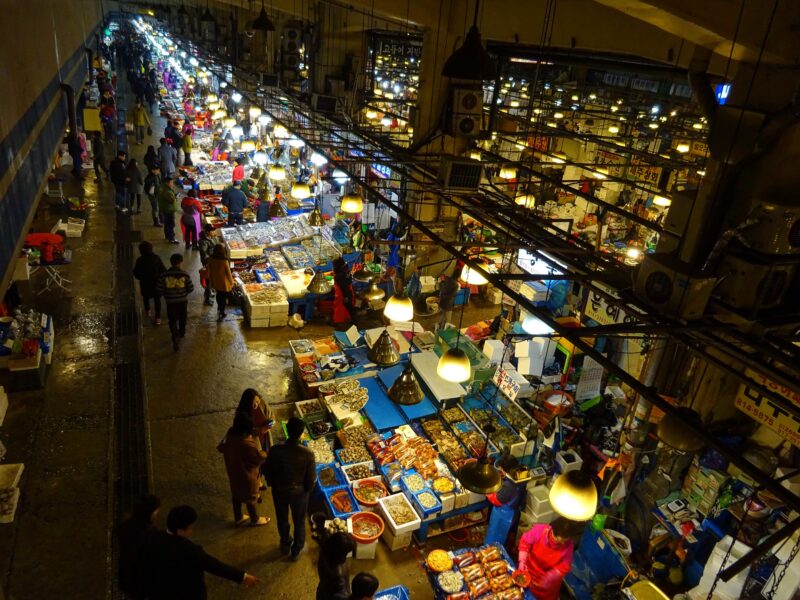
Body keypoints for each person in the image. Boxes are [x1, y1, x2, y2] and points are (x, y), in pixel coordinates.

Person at [140, 505, 259, 599]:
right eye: (191, 527)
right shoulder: (191, 551)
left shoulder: (154, 537)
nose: (193, 530)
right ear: (180, 530)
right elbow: (215, 566)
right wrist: (243, 577)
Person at [265, 417, 316, 561]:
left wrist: (272, 483)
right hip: (299, 494)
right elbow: (310, 479)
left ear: (287, 430)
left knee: (282, 519)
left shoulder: (275, 450)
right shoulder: (307, 454)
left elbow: (267, 470)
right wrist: (308, 491)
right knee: (299, 522)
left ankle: (285, 543)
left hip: (279, 490)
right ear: (301, 433)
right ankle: (296, 549)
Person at [218, 412, 270, 527]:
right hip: (247, 475)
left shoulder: (230, 433)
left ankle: (238, 517)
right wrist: (265, 453)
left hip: (233, 469)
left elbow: (222, 447)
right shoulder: (247, 444)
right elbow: (258, 459)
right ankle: (255, 519)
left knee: (236, 493)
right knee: (250, 496)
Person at [517, 517, 575, 600]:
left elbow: (565, 566)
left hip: (547, 586)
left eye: (566, 540)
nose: (563, 543)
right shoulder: (539, 530)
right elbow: (525, 543)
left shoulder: (568, 545)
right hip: (528, 573)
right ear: (554, 531)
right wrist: (522, 561)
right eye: (560, 540)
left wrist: (551, 576)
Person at [118, 494, 160, 599]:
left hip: (127, 575)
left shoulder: (125, 525)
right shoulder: (150, 534)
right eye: (155, 511)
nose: (157, 513)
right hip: (141, 580)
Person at [484, 455, 524, 549]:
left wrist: (486, 491)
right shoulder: (521, 473)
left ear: (504, 469)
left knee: (495, 536)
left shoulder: (509, 485)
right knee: (507, 533)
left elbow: (497, 500)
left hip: (504, 515)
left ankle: (490, 550)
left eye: (501, 469)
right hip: (515, 510)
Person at [155, 253, 193, 351]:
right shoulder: (184, 274)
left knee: (172, 320)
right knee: (182, 317)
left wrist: (167, 294)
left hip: (170, 302)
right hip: (182, 301)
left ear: (171, 262)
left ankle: (174, 335)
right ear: (180, 262)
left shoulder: (164, 275)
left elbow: (159, 290)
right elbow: (190, 288)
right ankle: (181, 332)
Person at [133, 241, 166, 325]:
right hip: (156, 283)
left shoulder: (140, 260)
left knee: (146, 297)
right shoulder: (156, 258)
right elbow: (163, 270)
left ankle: (148, 310)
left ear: (141, 251)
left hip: (145, 283)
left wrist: (141, 277)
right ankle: (157, 318)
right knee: (157, 300)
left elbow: (136, 273)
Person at [316, 532, 355, 599]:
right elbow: (340, 595)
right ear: (339, 554)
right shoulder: (337, 574)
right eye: (345, 553)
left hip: (322, 590)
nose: (345, 557)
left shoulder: (325, 550)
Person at [235, 388, 274, 455]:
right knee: (259, 456)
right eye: (253, 403)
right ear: (247, 403)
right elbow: (243, 433)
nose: (256, 405)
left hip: (265, 437)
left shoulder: (262, 403)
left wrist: (271, 422)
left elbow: (271, 416)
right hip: (254, 441)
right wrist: (260, 430)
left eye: (257, 401)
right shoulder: (242, 415)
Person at [206, 244, 234, 320]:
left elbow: (208, 272)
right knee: (223, 297)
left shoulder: (210, 259)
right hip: (223, 282)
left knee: (218, 294)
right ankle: (222, 311)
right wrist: (232, 282)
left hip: (215, 281)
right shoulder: (224, 261)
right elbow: (228, 274)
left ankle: (219, 308)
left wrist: (209, 279)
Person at [198, 225, 218, 306]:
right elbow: (203, 253)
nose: (214, 232)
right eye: (212, 231)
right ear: (208, 232)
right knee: (208, 280)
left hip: (213, 261)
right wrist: (209, 262)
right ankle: (207, 299)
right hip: (208, 263)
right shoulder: (204, 241)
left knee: (211, 279)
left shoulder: (213, 237)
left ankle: (209, 292)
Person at [332, 257, 355, 327]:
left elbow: (343, 286)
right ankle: (350, 321)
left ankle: (340, 323)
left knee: (341, 308)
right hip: (348, 292)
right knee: (349, 307)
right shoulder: (346, 270)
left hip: (342, 294)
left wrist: (345, 297)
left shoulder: (339, 275)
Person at [158, 177, 179, 244]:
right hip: (169, 210)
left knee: (167, 224)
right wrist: (176, 197)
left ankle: (167, 236)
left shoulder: (163, 188)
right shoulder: (166, 191)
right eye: (171, 182)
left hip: (165, 209)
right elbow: (171, 200)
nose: (172, 184)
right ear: (167, 183)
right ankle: (172, 239)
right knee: (171, 224)